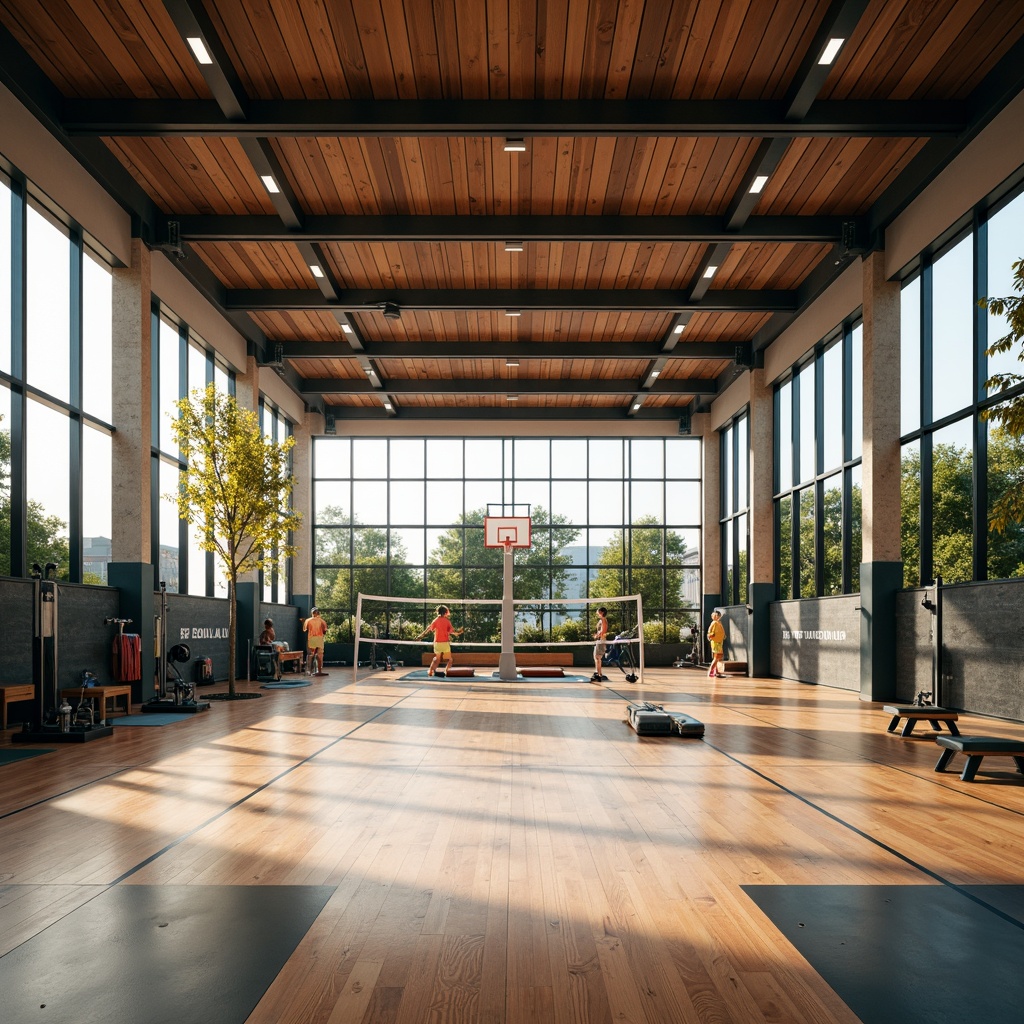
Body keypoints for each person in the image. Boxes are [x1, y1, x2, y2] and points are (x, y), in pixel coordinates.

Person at [418, 605, 463, 677]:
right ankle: (446, 671)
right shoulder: (447, 621)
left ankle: (430, 671)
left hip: (437, 642)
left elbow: (429, 628)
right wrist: (458, 633)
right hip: (445, 642)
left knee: (437, 659)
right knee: (450, 660)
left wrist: (421, 635)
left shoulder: (435, 620)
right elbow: (452, 631)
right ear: (445, 612)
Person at [303, 607, 328, 676]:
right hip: (319, 639)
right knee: (320, 655)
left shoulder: (308, 621)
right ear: (318, 613)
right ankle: (319, 671)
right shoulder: (322, 621)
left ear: (312, 613)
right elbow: (325, 631)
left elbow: (305, 630)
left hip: (311, 639)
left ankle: (309, 671)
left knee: (310, 655)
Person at [707, 609, 726, 678]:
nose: (717, 616)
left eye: (718, 615)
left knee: (718, 657)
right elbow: (710, 632)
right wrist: (712, 636)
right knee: (716, 657)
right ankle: (711, 671)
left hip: (719, 641)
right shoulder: (714, 623)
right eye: (716, 615)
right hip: (716, 642)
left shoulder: (718, 623)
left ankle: (716, 672)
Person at [591, 606, 609, 683]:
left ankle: (599, 674)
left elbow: (603, 631)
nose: (597, 613)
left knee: (597, 657)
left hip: (601, 640)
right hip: (599, 640)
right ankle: (599, 673)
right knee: (597, 657)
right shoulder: (602, 620)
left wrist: (597, 635)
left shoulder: (603, 620)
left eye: (598, 611)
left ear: (601, 612)